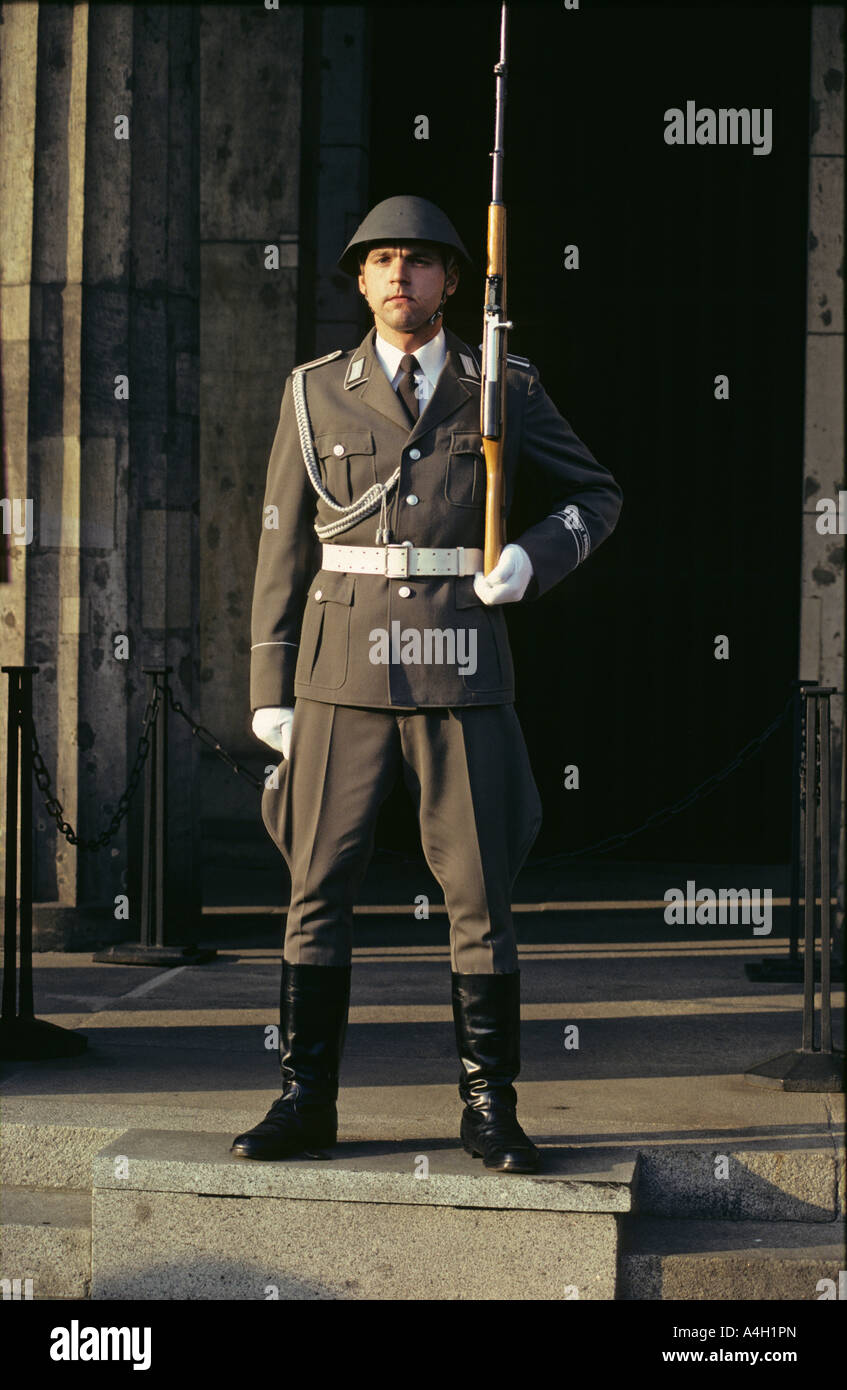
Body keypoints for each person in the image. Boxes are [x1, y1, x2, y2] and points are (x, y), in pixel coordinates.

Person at [231, 195, 623, 1173]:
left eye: (419, 261)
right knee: (315, 888)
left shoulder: (504, 388)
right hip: (337, 671)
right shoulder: (315, 391)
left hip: (461, 665)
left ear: (453, 279)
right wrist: (269, 683)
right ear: (358, 281)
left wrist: (531, 561)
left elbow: (597, 495)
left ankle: (489, 1107)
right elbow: (281, 541)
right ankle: (302, 1097)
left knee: (480, 893)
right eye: (380, 262)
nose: (399, 276)